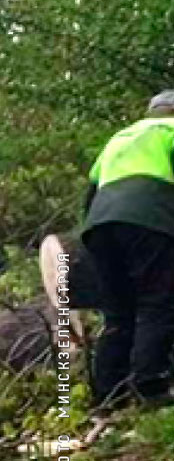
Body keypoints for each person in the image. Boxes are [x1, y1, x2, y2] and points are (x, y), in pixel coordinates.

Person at [82, 91, 174, 405]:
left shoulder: (119, 138)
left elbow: (91, 191)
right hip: (148, 218)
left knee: (118, 313)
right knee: (158, 301)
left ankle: (108, 397)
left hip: (99, 225)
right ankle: (151, 386)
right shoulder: (171, 132)